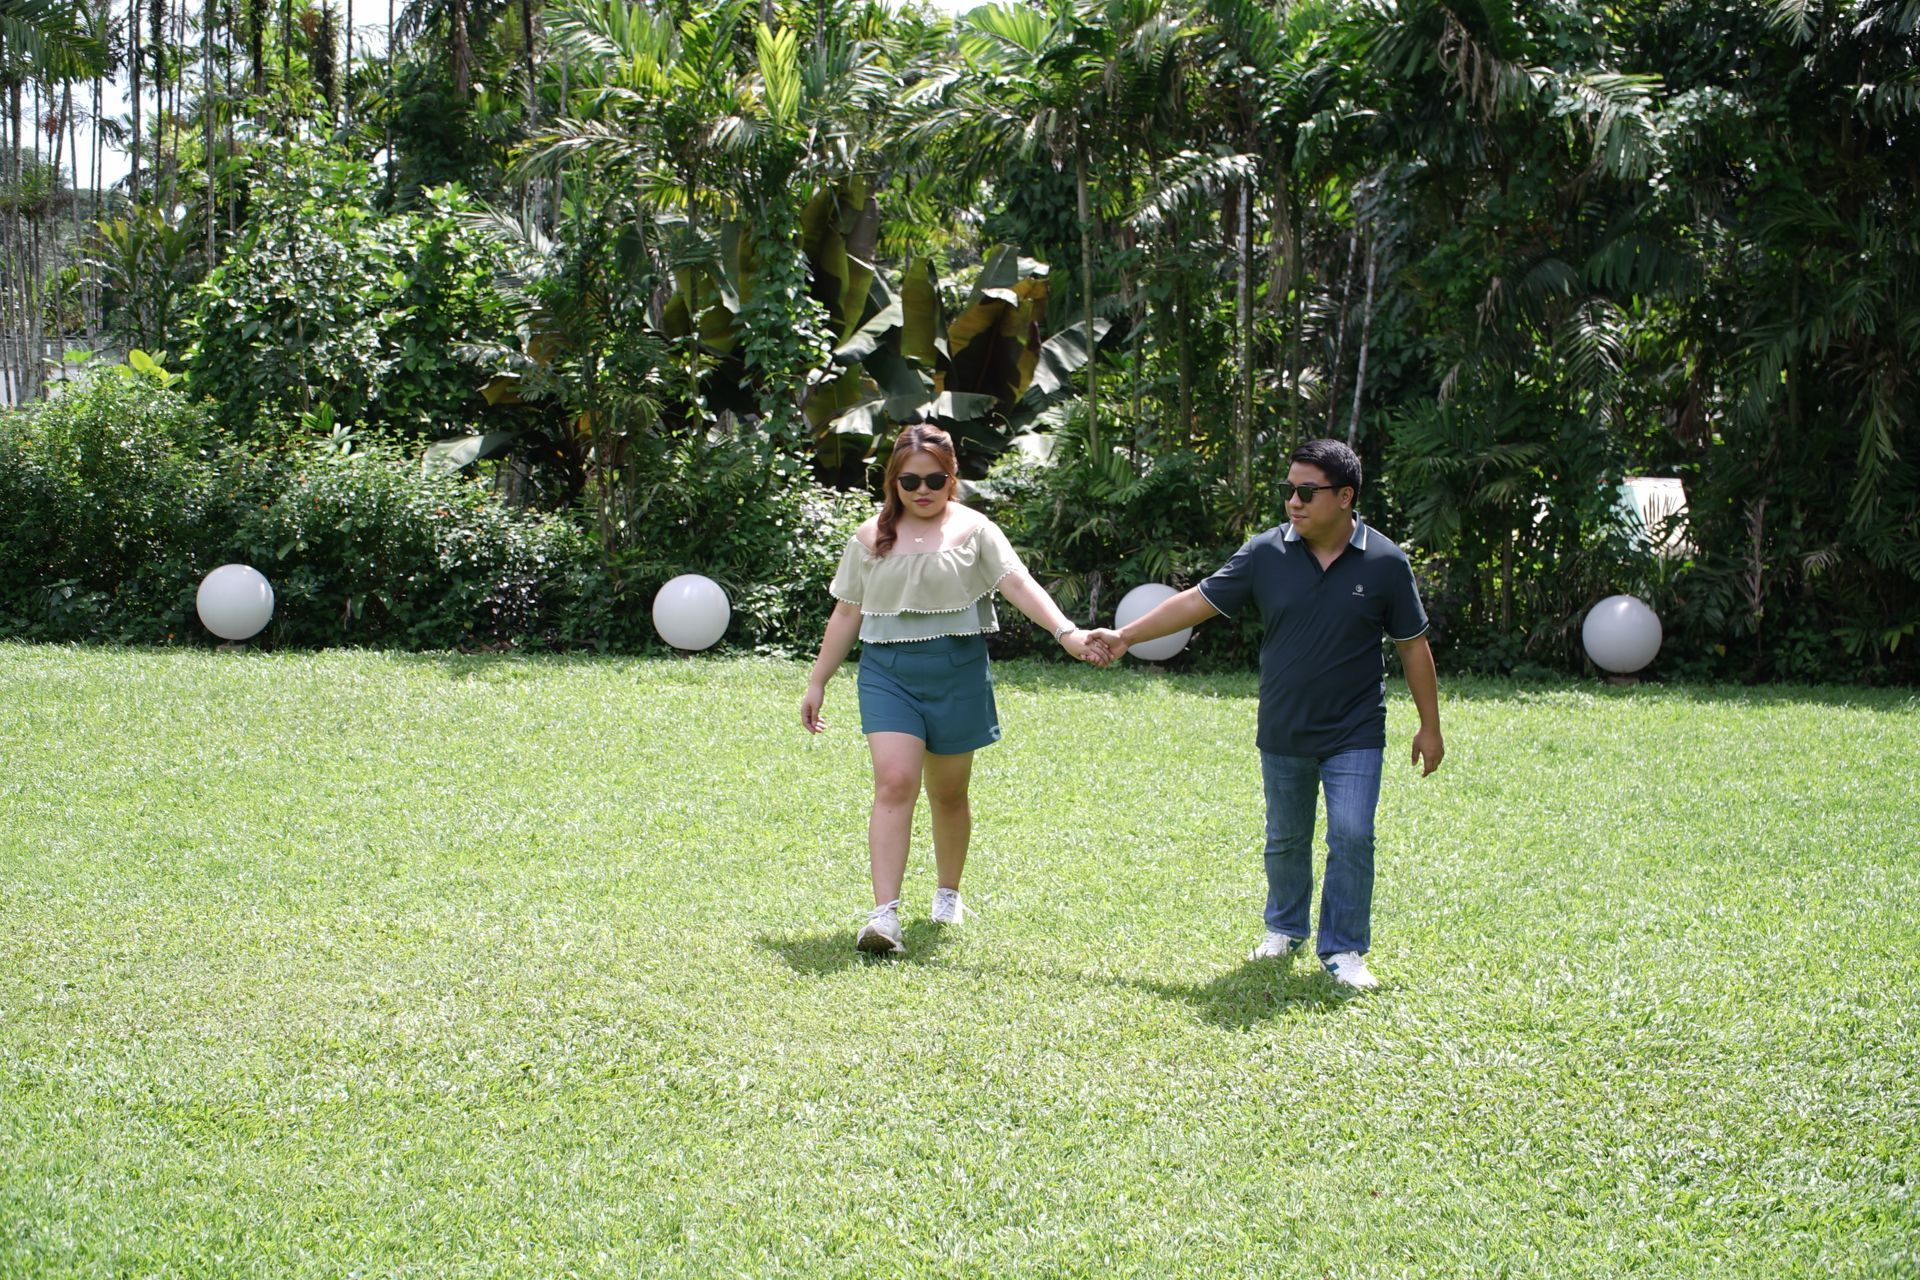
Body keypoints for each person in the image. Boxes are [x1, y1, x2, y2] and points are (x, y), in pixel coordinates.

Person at [1089, 439, 1443, 990]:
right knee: (1286, 837)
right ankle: (1284, 929)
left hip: (1356, 728)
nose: (1293, 502)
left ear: (1345, 496)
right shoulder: (1265, 552)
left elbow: (1412, 645)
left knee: (1353, 835)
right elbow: (1197, 601)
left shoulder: (1385, 562)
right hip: (1283, 724)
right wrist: (1126, 636)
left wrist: (1429, 726)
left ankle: (1345, 949)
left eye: (1307, 491)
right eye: (1289, 490)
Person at [801, 425, 1110, 955]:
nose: (922, 490)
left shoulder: (975, 530)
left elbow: (1017, 583)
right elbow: (847, 612)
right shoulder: (870, 537)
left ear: (952, 478)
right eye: (910, 481)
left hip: (958, 672)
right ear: (893, 482)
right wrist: (817, 680)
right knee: (894, 782)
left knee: (948, 793)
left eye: (935, 479)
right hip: (888, 674)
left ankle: (948, 892)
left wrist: (1067, 633)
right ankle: (884, 916)